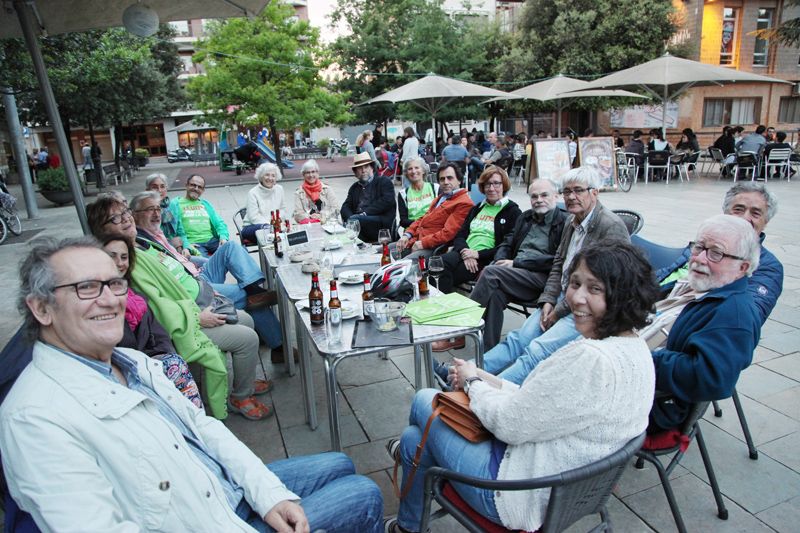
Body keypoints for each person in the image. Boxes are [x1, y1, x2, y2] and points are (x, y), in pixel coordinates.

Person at [0, 237, 384, 532]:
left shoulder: (133, 362)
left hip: (216, 488)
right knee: (363, 493)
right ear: (41, 308)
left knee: (340, 462)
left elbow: (204, 428)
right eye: (86, 288)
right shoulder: (34, 418)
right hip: (211, 518)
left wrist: (267, 496)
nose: (110, 300)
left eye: (115, 284)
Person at [386, 241, 659, 533]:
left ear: (622, 296)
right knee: (415, 438)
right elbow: (538, 402)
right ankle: (408, 522)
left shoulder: (591, 358)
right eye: (575, 283)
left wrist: (472, 383)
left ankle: (413, 465)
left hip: (515, 494)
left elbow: (509, 424)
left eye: (595, 289)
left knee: (424, 400)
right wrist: (483, 377)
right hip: (569, 490)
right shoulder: (635, 349)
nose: (577, 298)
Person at [87, 196, 272, 420]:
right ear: (101, 229)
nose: (126, 219)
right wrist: (196, 317)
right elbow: (154, 307)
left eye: (125, 212)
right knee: (248, 338)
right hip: (183, 323)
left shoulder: (141, 244)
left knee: (247, 319)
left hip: (199, 300)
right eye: (116, 218)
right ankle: (240, 397)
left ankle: (245, 381)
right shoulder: (122, 262)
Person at [479, 166, 630, 382]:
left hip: (588, 307)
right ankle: (467, 372)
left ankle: (484, 388)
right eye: (567, 191)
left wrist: (558, 310)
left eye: (578, 190)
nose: (571, 196)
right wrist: (549, 299)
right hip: (561, 296)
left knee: (536, 351)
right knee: (517, 340)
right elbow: (559, 264)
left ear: (594, 193)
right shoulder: (572, 221)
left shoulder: (609, 226)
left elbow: (604, 286)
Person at [650, 215, 761, 433]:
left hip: (655, 406)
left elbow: (711, 379)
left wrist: (643, 358)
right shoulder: (702, 287)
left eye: (716, 253)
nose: (700, 258)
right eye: (699, 247)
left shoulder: (733, 315)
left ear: (742, 267)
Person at [102, 235, 203, 408]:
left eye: (124, 257)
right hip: (125, 371)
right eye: (112, 256)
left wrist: (158, 359)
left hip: (151, 361)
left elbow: (159, 334)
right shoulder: (100, 302)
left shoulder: (134, 294)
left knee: (173, 362)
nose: (119, 263)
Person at [469, 179, 567, 350]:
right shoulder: (526, 217)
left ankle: (462, 324)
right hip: (516, 277)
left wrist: (516, 263)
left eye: (544, 195)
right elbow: (507, 242)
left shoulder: (564, 222)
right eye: (534, 196)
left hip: (543, 279)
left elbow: (557, 261)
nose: (539, 200)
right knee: (495, 295)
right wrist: (499, 260)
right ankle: (488, 353)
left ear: (556, 196)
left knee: (491, 272)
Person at [433, 166, 521, 297]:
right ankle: (444, 303)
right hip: (463, 252)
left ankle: (442, 305)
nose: (491, 188)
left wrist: (477, 254)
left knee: (445, 275)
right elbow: (460, 234)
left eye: (496, 183)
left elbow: (507, 246)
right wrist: (466, 252)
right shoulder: (477, 208)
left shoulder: (513, 212)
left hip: (485, 259)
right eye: (487, 184)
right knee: (436, 264)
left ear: (504, 185)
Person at [722, 182, 783, 323]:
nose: (745, 218)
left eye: (755, 213)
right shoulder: (703, 246)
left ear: (765, 222)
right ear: (725, 214)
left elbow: (748, 319)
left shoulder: (768, 267)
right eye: (738, 209)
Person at [396, 162, 473, 261]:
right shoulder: (441, 197)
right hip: (415, 240)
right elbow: (423, 218)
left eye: (450, 178)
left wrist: (423, 243)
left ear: (459, 180)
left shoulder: (463, 202)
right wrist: (407, 235)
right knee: (384, 251)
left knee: (399, 264)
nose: (445, 182)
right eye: (442, 179)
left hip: (434, 247)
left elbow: (448, 233)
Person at [341, 152, 396, 242]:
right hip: (359, 223)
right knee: (343, 227)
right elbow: (345, 206)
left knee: (353, 224)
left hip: (379, 224)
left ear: (372, 168)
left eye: (366, 167)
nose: (363, 171)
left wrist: (364, 214)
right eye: (360, 168)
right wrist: (351, 219)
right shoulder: (354, 187)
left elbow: (387, 201)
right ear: (355, 172)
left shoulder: (384, 181)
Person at [169, 174, 229, 257]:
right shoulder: (176, 204)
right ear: (186, 185)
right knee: (205, 262)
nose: (196, 189)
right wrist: (186, 245)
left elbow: (219, 223)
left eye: (199, 187)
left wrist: (223, 237)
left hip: (212, 241)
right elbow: (171, 230)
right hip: (194, 244)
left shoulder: (205, 204)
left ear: (203, 190)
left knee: (234, 249)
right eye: (193, 185)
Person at [145, 172, 188, 255]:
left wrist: (186, 248)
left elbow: (181, 232)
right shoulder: (145, 210)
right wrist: (172, 244)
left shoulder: (173, 205)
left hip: (178, 248)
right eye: (154, 187)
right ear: (147, 190)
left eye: (162, 186)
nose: (159, 190)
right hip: (161, 252)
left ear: (166, 188)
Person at [242, 162, 285, 241]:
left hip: (273, 227)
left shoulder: (280, 189)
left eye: (273, 176)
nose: (270, 178)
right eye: (267, 175)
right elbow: (254, 217)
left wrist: (277, 223)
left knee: (287, 230)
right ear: (261, 177)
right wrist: (270, 225)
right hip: (252, 227)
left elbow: (282, 209)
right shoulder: (253, 193)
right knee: (267, 230)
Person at [293, 159, 338, 224]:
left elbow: (336, 209)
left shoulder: (327, 189)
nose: (311, 175)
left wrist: (321, 216)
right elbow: (298, 215)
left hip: (327, 224)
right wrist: (311, 217)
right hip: (308, 225)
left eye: (313, 172)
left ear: (317, 173)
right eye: (307, 172)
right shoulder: (299, 193)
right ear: (303, 175)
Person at [397, 157, 437, 228]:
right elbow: (403, 221)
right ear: (406, 173)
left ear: (423, 170)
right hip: (412, 230)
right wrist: (421, 223)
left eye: (416, 168)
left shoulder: (435, 188)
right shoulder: (403, 194)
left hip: (433, 228)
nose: (413, 171)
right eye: (410, 169)